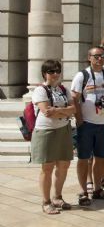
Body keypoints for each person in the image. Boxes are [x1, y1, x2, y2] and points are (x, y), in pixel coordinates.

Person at [71, 47, 104, 205]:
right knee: (83, 158)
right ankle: (83, 191)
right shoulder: (82, 76)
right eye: (96, 56)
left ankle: (98, 189)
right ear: (89, 57)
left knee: (101, 158)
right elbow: (74, 99)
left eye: (102, 56)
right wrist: (79, 121)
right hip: (87, 124)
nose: (99, 59)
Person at [31, 60, 75, 214]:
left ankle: (57, 197)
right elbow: (46, 112)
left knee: (64, 164)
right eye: (51, 71)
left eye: (57, 71)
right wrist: (65, 111)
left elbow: (74, 109)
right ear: (45, 74)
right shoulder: (40, 90)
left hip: (63, 129)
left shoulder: (63, 89)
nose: (55, 74)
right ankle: (46, 201)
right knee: (47, 167)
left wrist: (57, 110)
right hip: (46, 131)